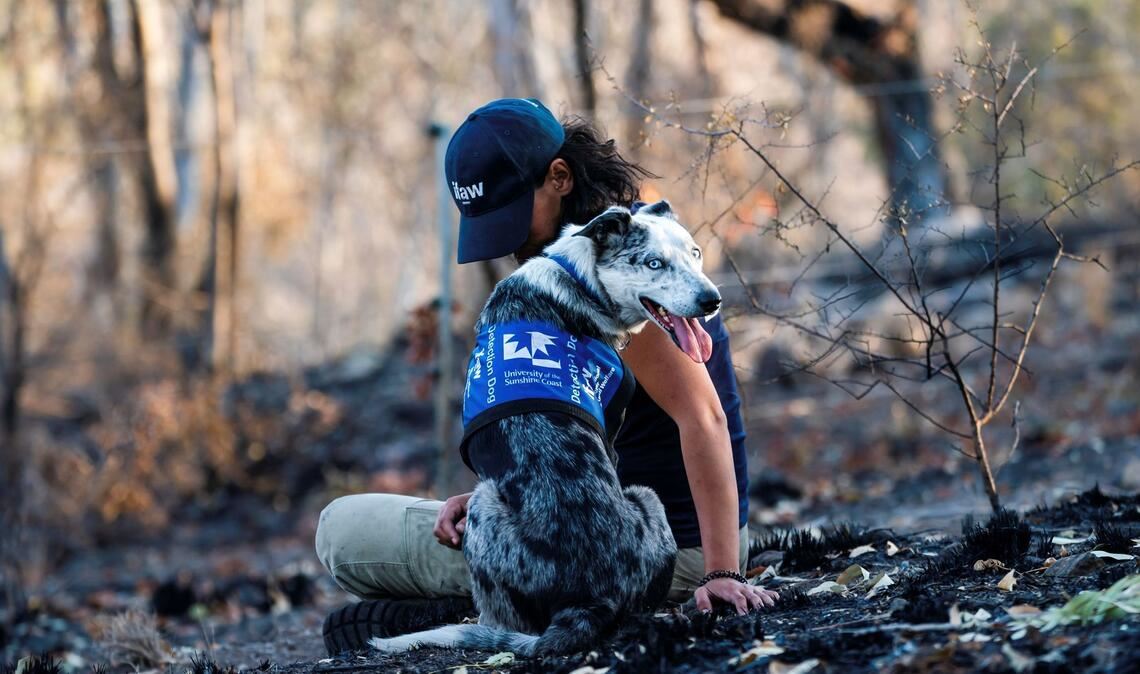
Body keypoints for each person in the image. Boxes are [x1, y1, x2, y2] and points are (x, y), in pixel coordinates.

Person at [315, 98, 777, 654]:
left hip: (656, 556)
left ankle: (489, 615)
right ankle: (499, 604)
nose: (507, 243)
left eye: (511, 218)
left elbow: (703, 416)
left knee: (342, 531)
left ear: (558, 177)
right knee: (444, 517)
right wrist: (507, 486)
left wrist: (720, 574)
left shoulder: (613, 276)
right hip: (612, 533)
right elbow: (571, 429)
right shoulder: (640, 242)